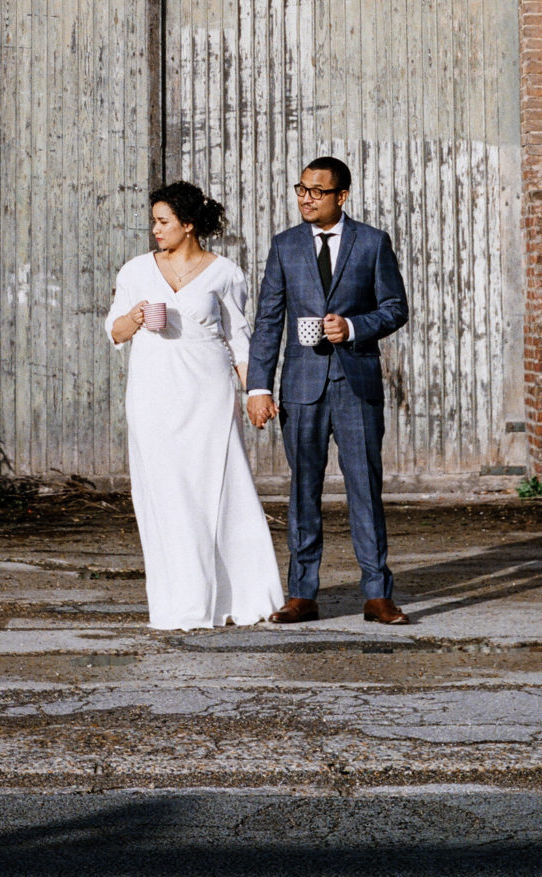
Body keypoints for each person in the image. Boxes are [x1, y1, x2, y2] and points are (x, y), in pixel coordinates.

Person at [106, 181, 285, 631]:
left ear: (189, 225)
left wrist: (256, 392)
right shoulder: (135, 271)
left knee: (223, 490)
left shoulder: (226, 273)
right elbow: (114, 330)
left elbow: (239, 340)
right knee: (166, 496)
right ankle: (183, 602)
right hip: (153, 396)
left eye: (163, 222)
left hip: (209, 394)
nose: (155, 230)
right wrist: (136, 318)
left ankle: (241, 598)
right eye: (154, 222)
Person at [245, 156, 411, 625]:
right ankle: (302, 593)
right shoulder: (284, 246)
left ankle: (378, 594)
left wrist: (355, 327)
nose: (306, 198)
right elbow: (268, 322)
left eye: (317, 191)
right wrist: (259, 386)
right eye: (301, 189)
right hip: (301, 388)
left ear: (342, 196)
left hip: (356, 385)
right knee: (302, 492)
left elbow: (395, 308)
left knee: (365, 489)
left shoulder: (372, 243)